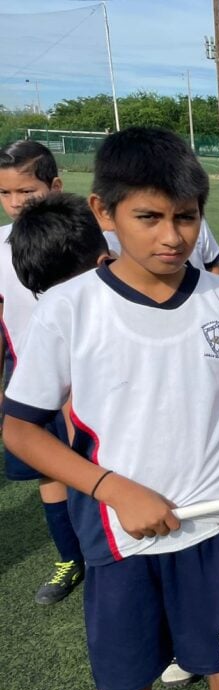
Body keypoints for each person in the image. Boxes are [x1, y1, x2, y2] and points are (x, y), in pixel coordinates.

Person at [1, 126, 219, 690]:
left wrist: (217, 458)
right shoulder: (71, 308)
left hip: (213, 522)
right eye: (148, 217)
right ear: (104, 212)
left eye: (186, 217)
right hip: (117, 531)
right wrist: (113, 487)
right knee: (124, 670)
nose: (172, 235)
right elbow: (19, 427)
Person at [10, 191, 204, 690]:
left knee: (177, 568)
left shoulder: (166, 304)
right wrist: (106, 485)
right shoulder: (61, 318)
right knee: (119, 586)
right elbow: (36, 428)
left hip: (180, 494)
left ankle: (177, 650)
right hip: (107, 498)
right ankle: (131, 658)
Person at [0, 140, 83, 605]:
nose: (15, 203)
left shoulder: (91, 242)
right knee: (50, 479)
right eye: (5, 193)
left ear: (54, 186)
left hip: (93, 383)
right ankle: (71, 557)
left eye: (26, 192)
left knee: (99, 468)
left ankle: (111, 551)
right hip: (34, 385)